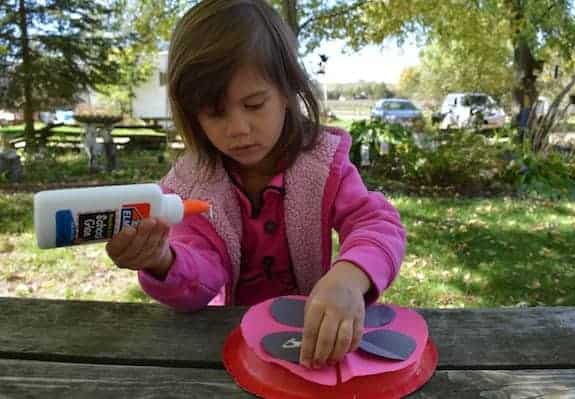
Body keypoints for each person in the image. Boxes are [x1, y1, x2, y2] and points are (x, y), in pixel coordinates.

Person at [105, 0, 405, 371]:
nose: (238, 129)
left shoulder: (323, 164)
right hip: (233, 345)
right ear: (192, 114)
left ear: (287, 91)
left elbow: (378, 223)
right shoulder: (189, 186)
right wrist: (161, 261)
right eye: (215, 113)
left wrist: (349, 277)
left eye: (254, 104)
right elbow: (203, 275)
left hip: (315, 345)